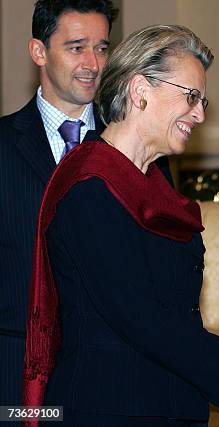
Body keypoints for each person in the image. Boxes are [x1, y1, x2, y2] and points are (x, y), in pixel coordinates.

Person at [22, 24, 219, 426]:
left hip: (169, 402)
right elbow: (138, 315)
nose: (200, 114)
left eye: (202, 100)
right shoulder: (89, 186)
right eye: (191, 97)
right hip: (110, 408)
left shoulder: (154, 179)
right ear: (140, 91)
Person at [0, 0, 117, 406]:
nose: (93, 63)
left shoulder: (134, 148)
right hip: (14, 374)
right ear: (38, 51)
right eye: (76, 47)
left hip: (110, 378)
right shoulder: (1, 147)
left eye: (102, 48)